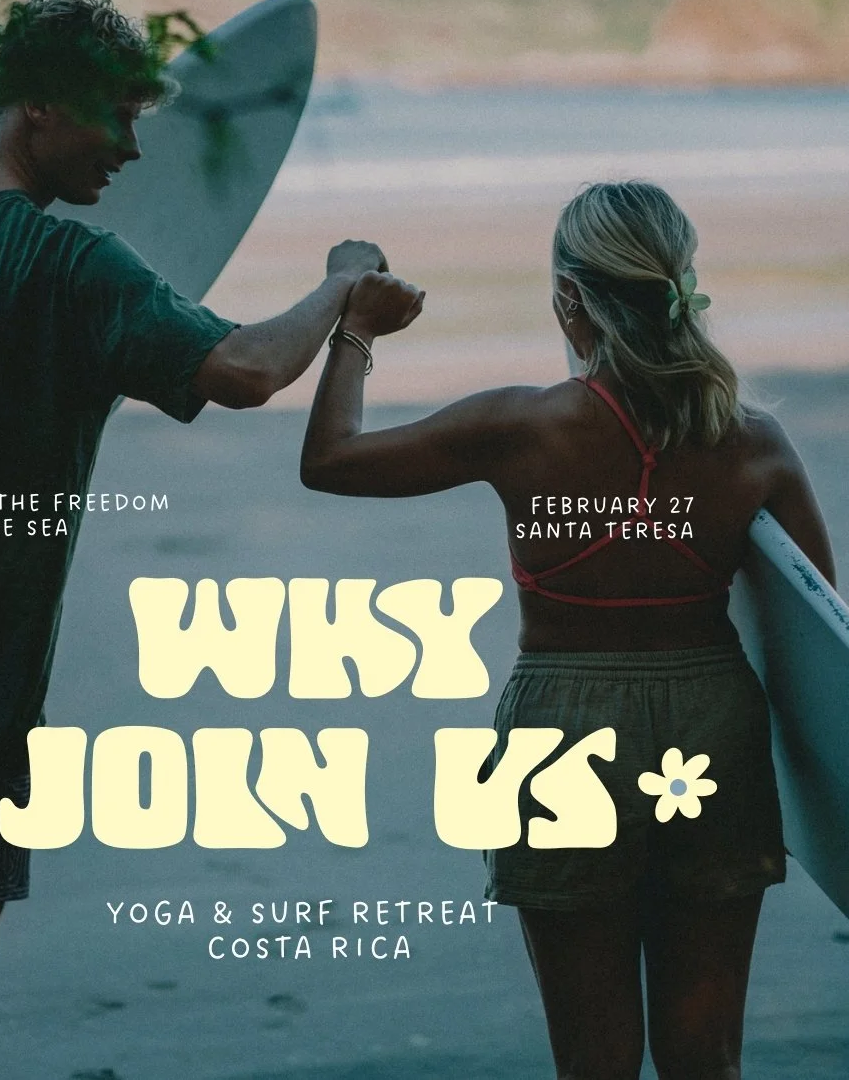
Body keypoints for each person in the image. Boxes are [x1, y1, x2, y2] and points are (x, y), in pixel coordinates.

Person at [0, 0, 388, 1080]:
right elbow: (245, 369)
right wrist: (342, 288)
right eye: (119, 117)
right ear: (42, 112)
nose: (135, 152)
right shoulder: (68, 266)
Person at [300, 180, 836, 1080]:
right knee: (706, 1058)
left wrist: (354, 331)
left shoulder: (519, 425)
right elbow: (812, 624)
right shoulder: (756, 443)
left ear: (569, 300)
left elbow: (330, 462)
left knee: (593, 1061)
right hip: (709, 726)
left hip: (560, 731)